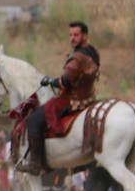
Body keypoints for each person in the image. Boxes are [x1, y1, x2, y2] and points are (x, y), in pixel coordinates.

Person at [18, 21, 100, 175]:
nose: (72, 38)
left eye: (76, 35)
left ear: (85, 36)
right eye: (70, 35)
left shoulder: (78, 56)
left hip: (72, 100)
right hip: (89, 97)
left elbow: (66, 81)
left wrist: (50, 81)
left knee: (34, 120)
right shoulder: (93, 52)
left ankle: (35, 163)